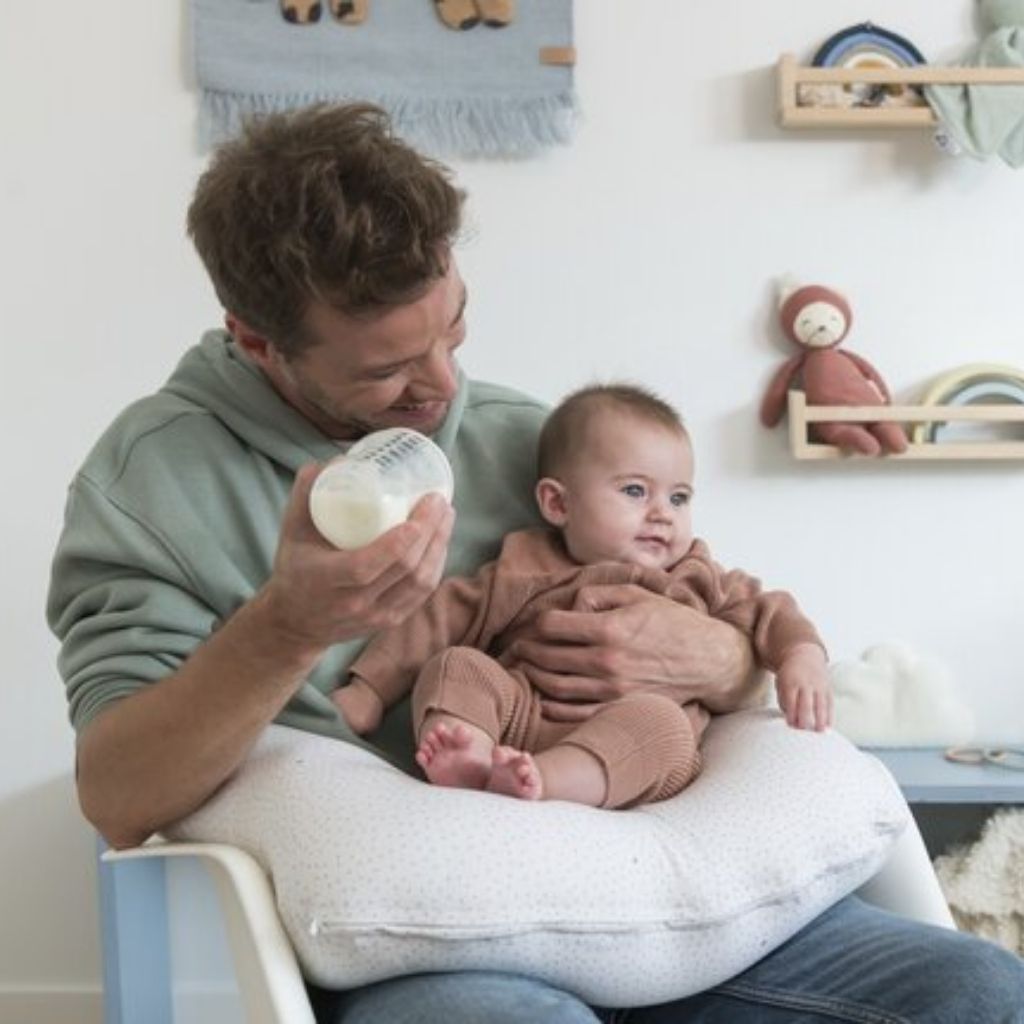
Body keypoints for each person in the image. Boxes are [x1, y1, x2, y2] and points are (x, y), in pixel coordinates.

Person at [46, 103, 1024, 1022]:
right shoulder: (150, 485)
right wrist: (289, 626)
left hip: (626, 873)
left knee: (978, 989)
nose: (440, 386)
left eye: (454, 329)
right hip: (411, 937)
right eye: (386, 369)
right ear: (257, 340)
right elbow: (121, 794)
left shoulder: (536, 442)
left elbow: (715, 607)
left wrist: (720, 660)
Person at [334, 383, 831, 808]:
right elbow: (435, 619)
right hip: (520, 711)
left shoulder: (697, 575)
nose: (663, 513)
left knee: (665, 729)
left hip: (624, 737)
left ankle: (543, 781)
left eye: (679, 497)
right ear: (557, 503)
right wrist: (369, 689)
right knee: (456, 664)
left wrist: (801, 656)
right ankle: (472, 757)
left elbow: (772, 612)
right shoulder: (523, 565)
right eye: (636, 491)